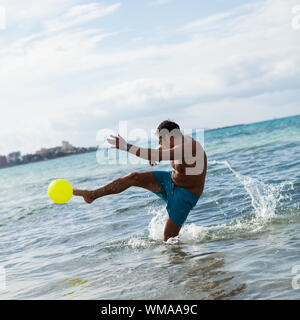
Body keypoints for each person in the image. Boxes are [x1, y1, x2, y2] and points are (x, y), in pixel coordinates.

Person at [73, 120, 207, 241]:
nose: (159, 143)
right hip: (170, 181)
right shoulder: (175, 143)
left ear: (169, 137)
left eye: (160, 140)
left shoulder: (189, 147)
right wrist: (155, 151)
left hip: (185, 195)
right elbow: (159, 150)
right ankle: (92, 195)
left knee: (169, 240)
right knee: (134, 177)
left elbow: (159, 154)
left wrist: (127, 147)